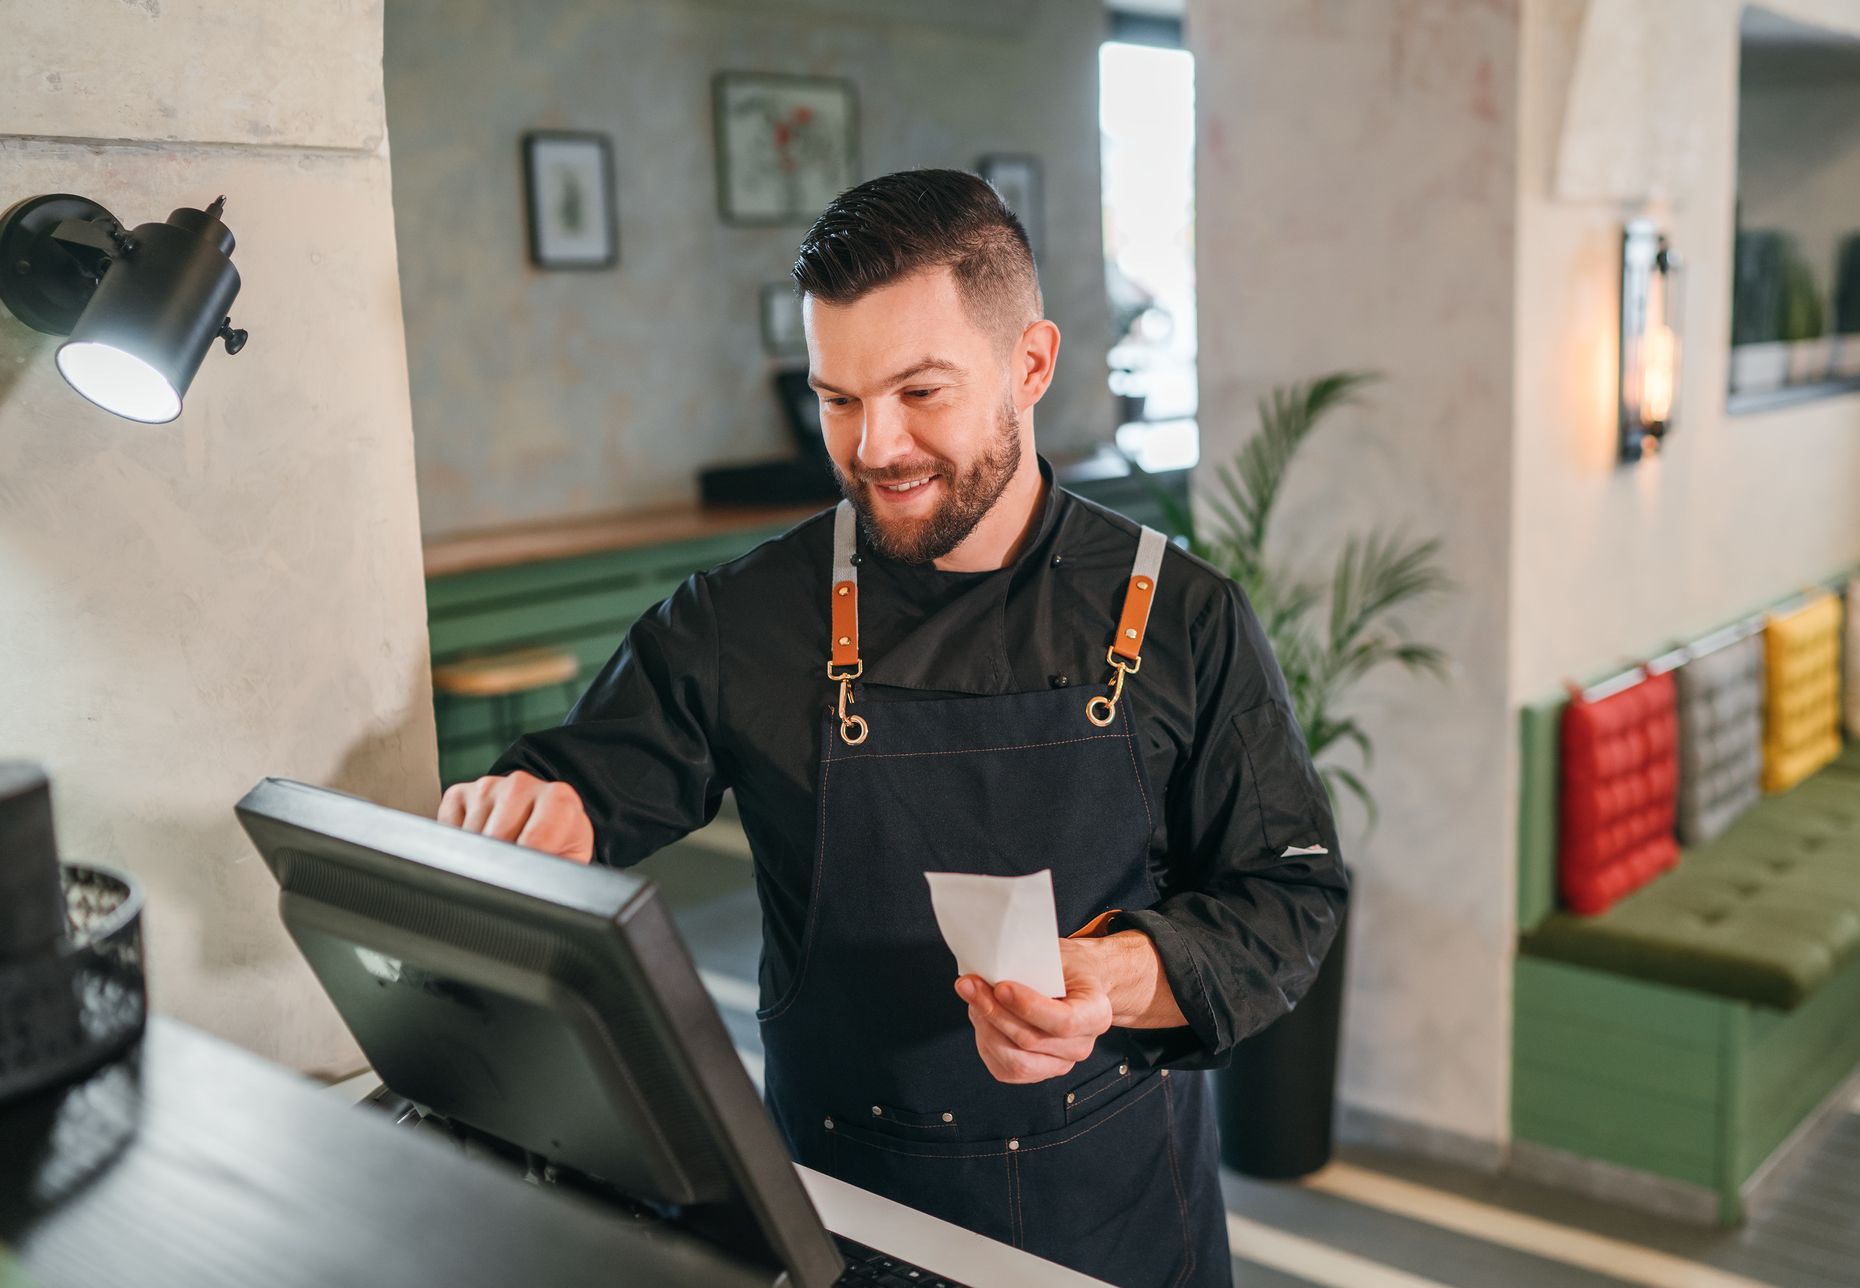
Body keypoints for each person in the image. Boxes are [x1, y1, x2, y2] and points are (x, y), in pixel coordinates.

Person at [440, 168, 1347, 1288]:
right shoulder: (742, 619)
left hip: (1116, 1219)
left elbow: (1290, 898)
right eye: (837, 398)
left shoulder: (1186, 615)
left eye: (922, 393)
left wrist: (1111, 979)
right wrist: (545, 805)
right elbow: (592, 778)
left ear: (1030, 364)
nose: (876, 447)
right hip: (845, 1216)